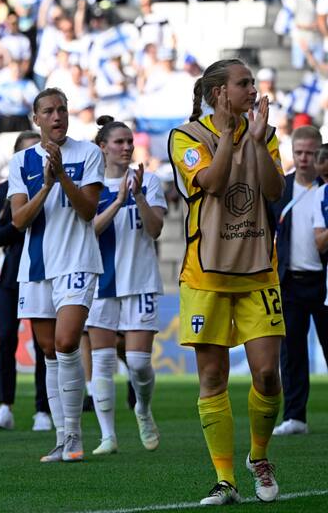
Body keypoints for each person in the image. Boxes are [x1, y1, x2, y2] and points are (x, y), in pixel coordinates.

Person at [168, 59, 285, 505]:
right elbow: (212, 184)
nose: (253, 89)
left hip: (258, 271)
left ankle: (259, 457)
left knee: (268, 374)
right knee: (212, 376)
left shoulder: (267, 135)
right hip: (206, 275)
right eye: (244, 83)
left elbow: (274, 191)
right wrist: (233, 136)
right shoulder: (187, 137)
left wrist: (254, 142)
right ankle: (225, 479)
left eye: (253, 82)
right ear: (219, 93)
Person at [8, 88, 104, 463]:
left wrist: (62, 176)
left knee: (66, 342)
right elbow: (18, 220)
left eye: (61, 109)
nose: (57, 116)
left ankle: (75, 436)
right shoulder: (21, 161)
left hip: (78, 260)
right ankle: (62, 437)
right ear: (37, 119)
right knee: (48, 350)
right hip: (36, 266)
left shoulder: (88, 153)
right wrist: (46, 184)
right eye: (48, 111)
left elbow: (87, 211)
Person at [87, 116, 167, 455]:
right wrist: (118, 201)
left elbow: (155, 229)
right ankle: (108, 436)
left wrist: (138, 197)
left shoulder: (148, 181)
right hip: (100, 283)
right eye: (119, 142)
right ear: (103, 147)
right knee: (102, 361)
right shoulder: (90, 186)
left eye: (129, 142)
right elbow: (88, 231)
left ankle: (143, 409)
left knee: (137, 362)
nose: (126, 147)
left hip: (140, 281)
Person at [0, 130, 52, 432]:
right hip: (13, 270)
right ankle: (4, 407)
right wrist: (21, 216)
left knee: (44, 342)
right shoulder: (5, 189)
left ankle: (44, 408)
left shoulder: (56, 184)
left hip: (44, 267)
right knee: (6, 338)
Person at [272, 125, 327, 436]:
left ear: (320, 152)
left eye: (310, 153)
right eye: (298, 153)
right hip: (290, 281)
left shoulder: (327, 187)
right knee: (291, 351)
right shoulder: (281, 188)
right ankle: (295, 417)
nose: (304, 159)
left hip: (324, 281)